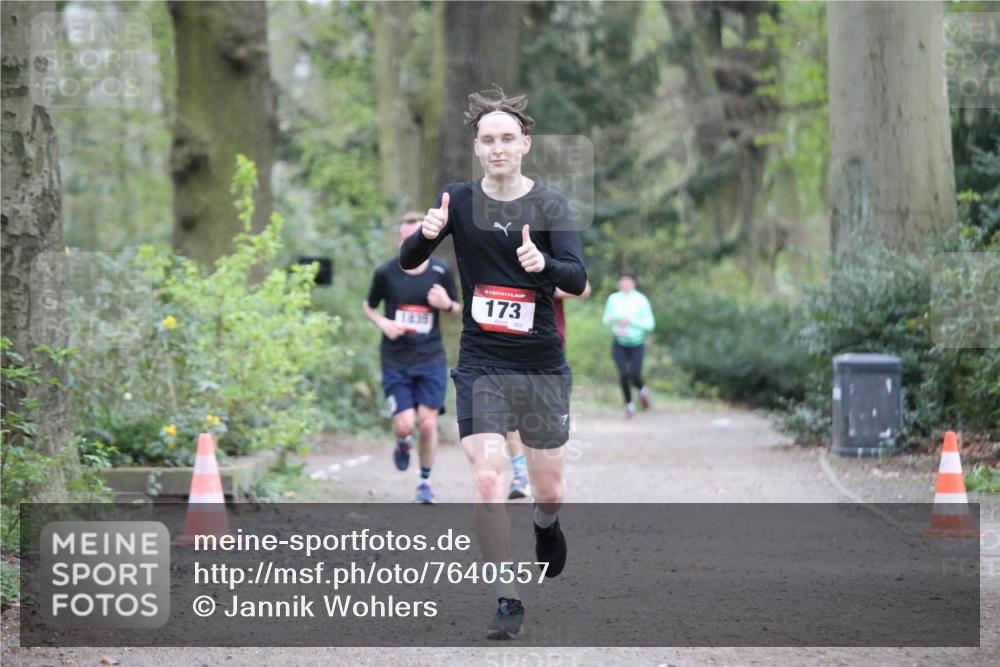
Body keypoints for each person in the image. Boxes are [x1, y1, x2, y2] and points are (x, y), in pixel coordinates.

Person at [400, 89, 587, 639]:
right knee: (487, 478)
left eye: (508, 138)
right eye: (488, 139)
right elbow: (408, 262)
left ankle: (545, 524)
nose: (498, 147)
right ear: (477, 148)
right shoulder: (458, 200)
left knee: (550, 489)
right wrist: (425, 236)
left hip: (541, 362)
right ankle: (507, 598)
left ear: (525, 144)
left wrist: (543, 262)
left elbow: (577, 277)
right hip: (482, 360)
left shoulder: (550, 205)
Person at [364, 213, 459, 504]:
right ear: (400, 241)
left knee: (428, 424)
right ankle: (403, 440)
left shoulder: (441, 271)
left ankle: (425, 482)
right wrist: (383, 323)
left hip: (431, 358)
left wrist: (446, 304)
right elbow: (369, 306)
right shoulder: (386, 273)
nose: (414, 243)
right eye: (408, 239)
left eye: (419, 237)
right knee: (405, 424)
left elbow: (457, 310)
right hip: (396, 359)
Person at [506, 281, 590, 500]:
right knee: (512, 412)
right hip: (508, 344)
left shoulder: (553, 259)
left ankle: (543, 478)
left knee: (541, 419)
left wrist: (548, 287)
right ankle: (520, 474)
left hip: (549, 347)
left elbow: (584, 288)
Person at [602, 271, 655, 418]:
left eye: (627, 281)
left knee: (635, 375)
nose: (624, 284)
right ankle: (629, 405)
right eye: (622, 281)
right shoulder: (613, 298)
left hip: (637, 343)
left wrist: (632, 321)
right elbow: (605, 320)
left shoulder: (641, 300)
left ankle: (642, 391)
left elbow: (650, 324)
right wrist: (615, 318)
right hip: (619, 342)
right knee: (624, 374)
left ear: (633, 283)